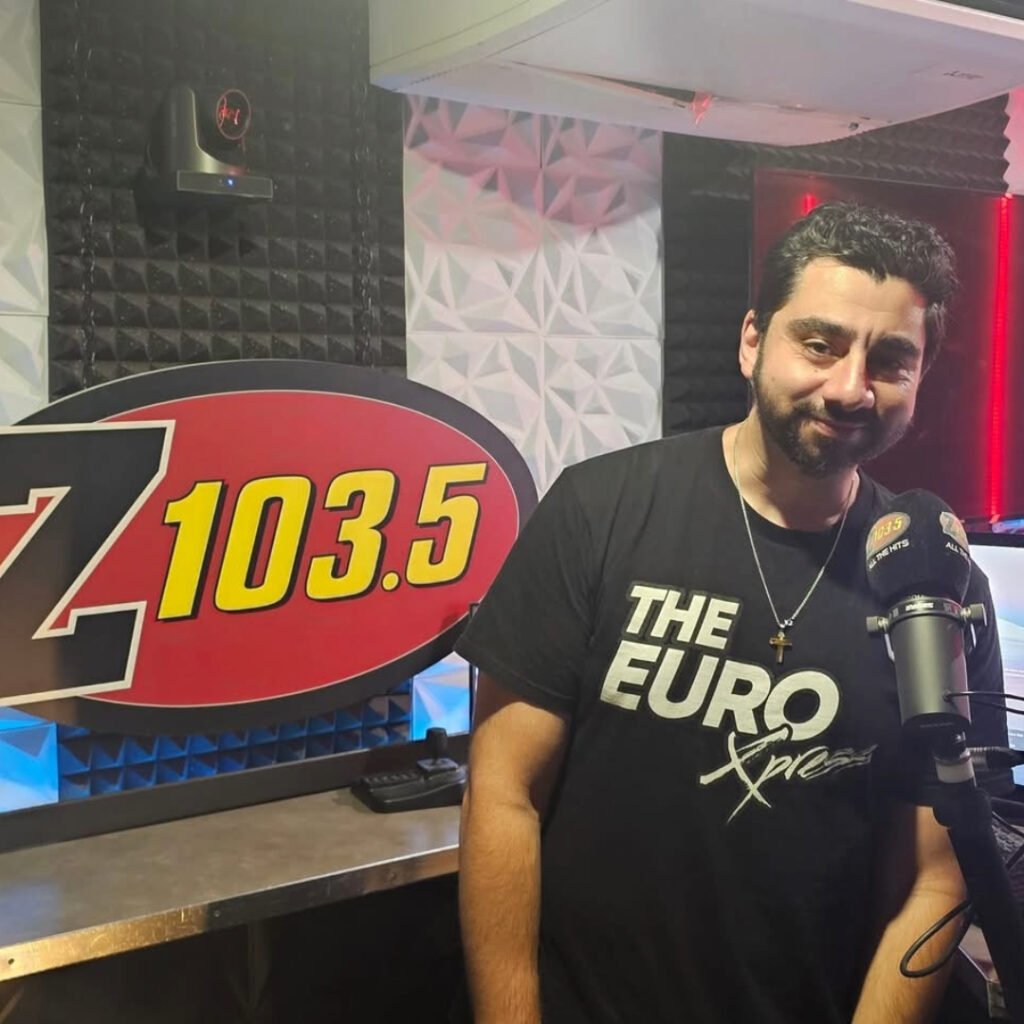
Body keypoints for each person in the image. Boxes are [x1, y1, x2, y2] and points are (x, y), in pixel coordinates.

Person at [454, 201, 1009, 1024]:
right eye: (819, 344)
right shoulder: (600, 510)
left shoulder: (935, 584)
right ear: (753, 341)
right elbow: (504, 794)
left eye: (891, 358)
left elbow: (937, 873)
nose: (850, 386)